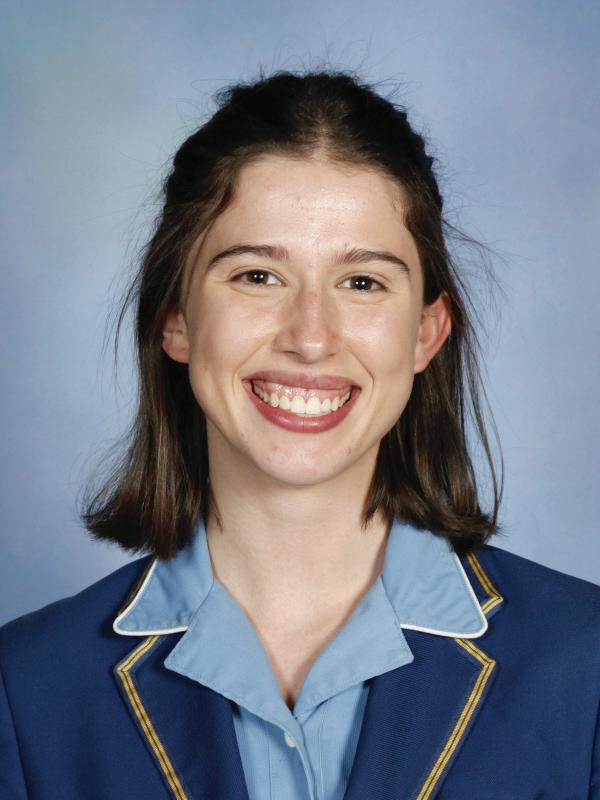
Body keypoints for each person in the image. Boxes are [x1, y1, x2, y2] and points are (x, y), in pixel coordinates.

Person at [0, 69, 598, 800]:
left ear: (426, 332)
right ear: (175, 319)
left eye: (362, 283)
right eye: (257, 276)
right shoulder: (24, 690)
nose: (310, 338)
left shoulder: (587, 667)